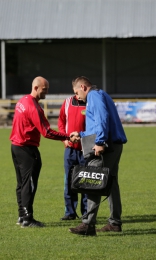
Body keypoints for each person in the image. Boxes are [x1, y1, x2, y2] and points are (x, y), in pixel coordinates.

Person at [10, 76, 79, 228]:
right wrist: (68, 136)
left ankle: (22, 216)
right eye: (44, 89)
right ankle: (28, 219)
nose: (46, 92)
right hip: (27, 149)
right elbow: (47, 132)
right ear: (36, 88)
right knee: (29, 184)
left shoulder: (22, 101)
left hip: (16, 146)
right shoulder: (33, 107)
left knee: (21, 183)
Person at [69, 76, 127, 236]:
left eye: (76, 92)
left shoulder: (93, 96)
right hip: (115, 145)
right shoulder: (102, 94)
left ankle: (88, 224)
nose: (76, 96)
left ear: (82, 87)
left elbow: (102, 119)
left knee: (92, 181)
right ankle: (114, 223)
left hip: (106, 145)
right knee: (111, 183)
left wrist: (100, 141)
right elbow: (97, 123)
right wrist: (81, 134)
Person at [58, 95, 88, 220]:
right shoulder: (67, 102)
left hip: (86, 150)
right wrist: (64, 139)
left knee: (86, 182)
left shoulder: (90, 102)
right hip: (70, 150)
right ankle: (70, 212)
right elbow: (61, 122)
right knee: (69, 182)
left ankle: (86, 212)